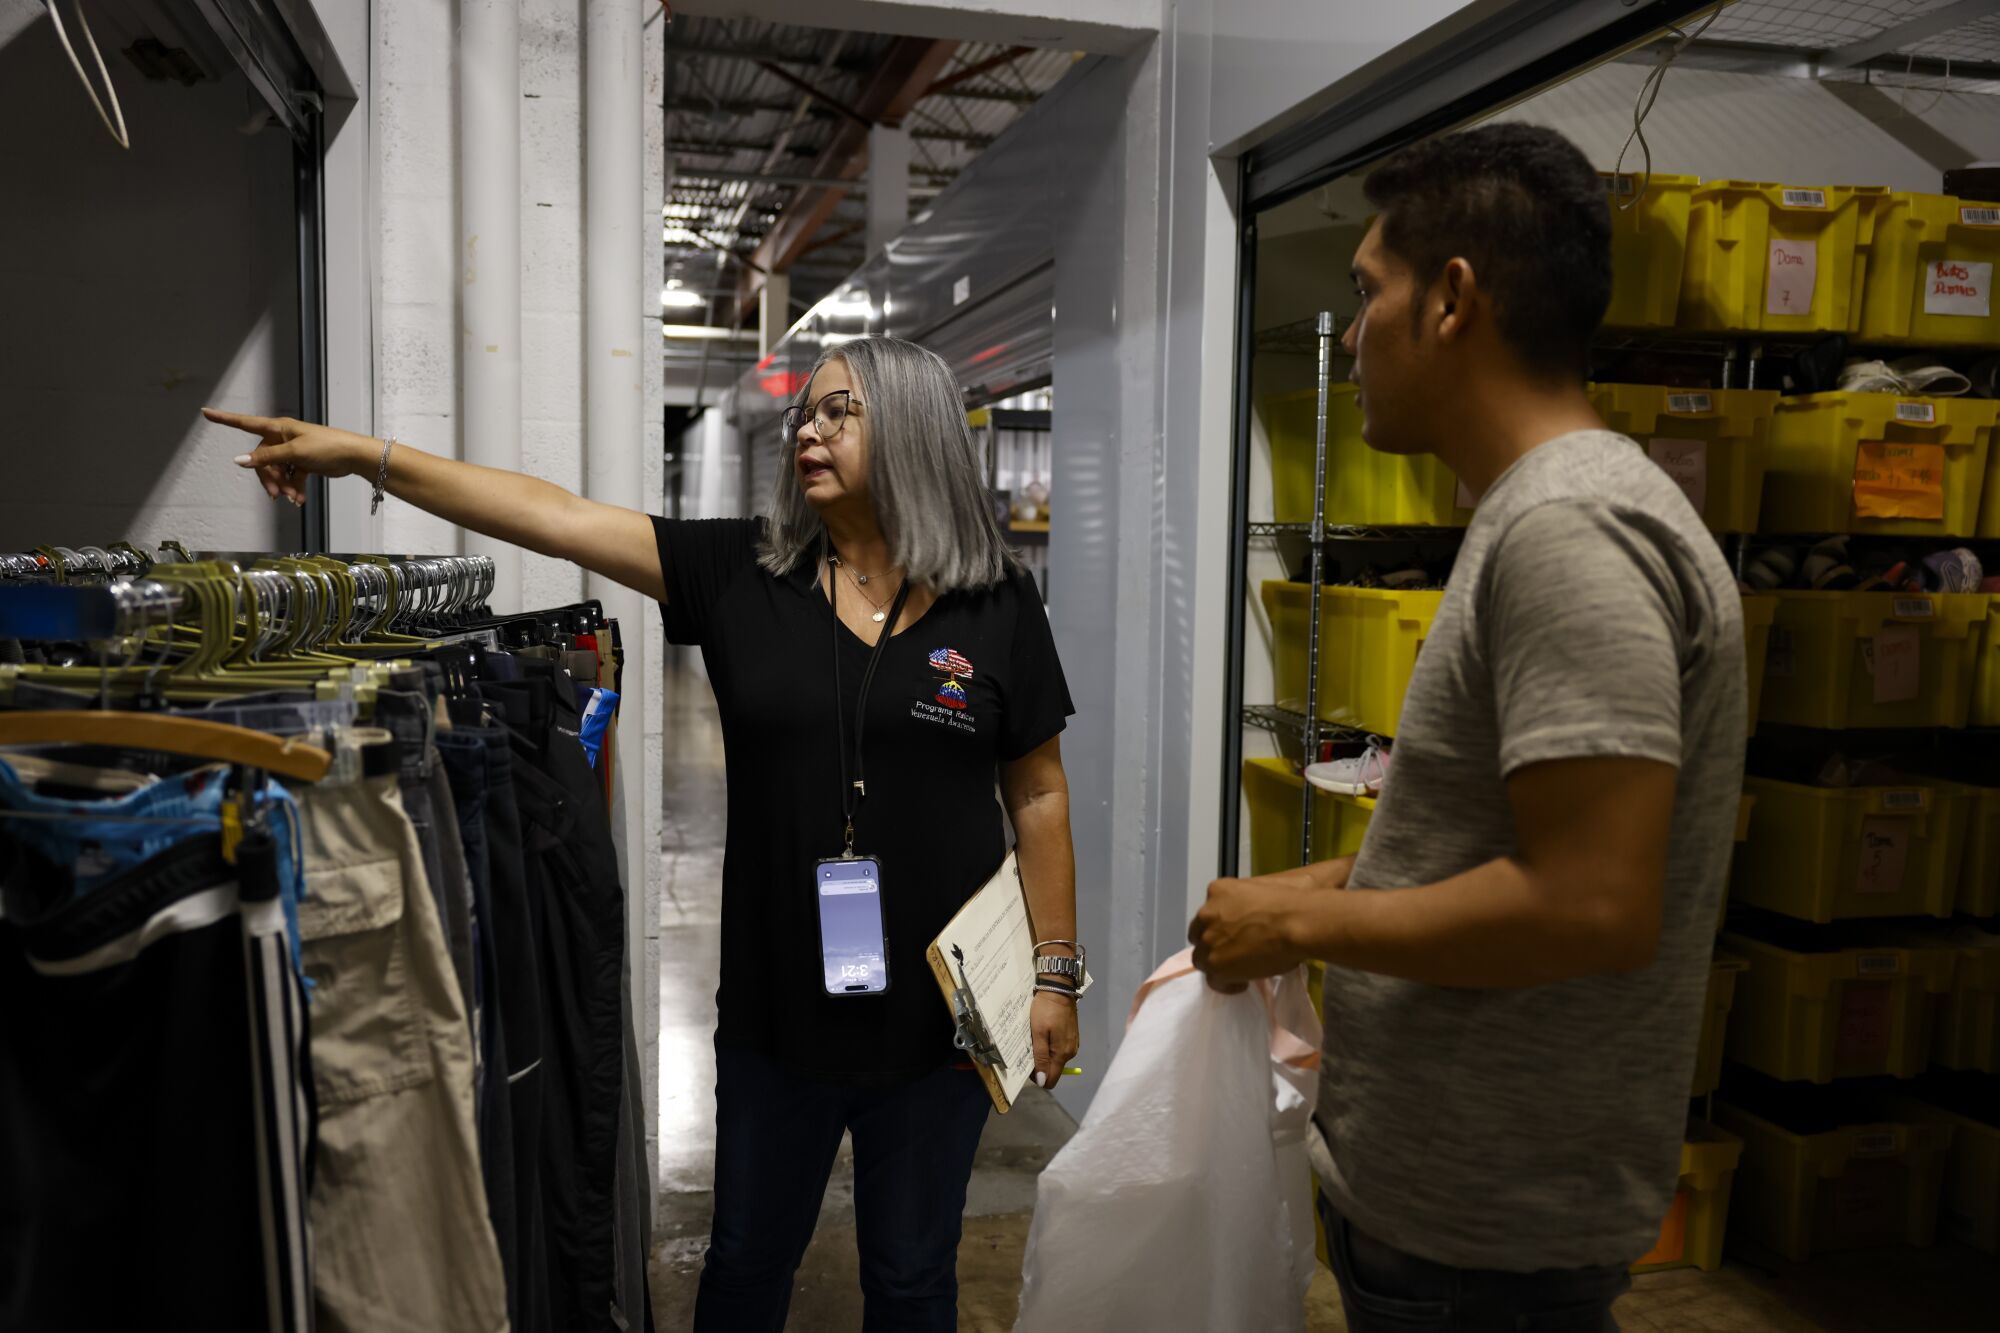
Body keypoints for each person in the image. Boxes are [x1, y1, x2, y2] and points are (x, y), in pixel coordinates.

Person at [208, 334, 1083, 1333]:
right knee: (747, 1262)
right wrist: (366, 455)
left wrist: (1053, 972)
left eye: (840, 411)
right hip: (777, 1016)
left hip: (944, 1017)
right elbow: (555, 517)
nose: (809, 427)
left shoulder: (996, 601)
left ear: (914, 429)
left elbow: (1038, 795)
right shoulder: (745, 574)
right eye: (807, 409)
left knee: (914, 1273)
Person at [1189, 123, 1744, 1331]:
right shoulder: (1544, 514)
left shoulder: (1568, 530)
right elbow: (1501, 839)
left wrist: (1298, 914)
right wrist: (1336, 878)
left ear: (1450, 300)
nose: (1347, 334)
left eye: (1363, 292)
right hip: (1453, 1212)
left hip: (1483, 1239)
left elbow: (1591, 900)